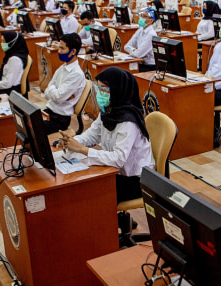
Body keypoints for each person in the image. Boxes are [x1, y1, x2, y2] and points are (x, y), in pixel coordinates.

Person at [59, 67, 155, 204]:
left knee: (91, 194)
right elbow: (92, 136)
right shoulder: (109, 111)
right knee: (81, 182)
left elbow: (118, 159)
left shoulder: (128, 121)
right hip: (116, 171)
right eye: (98, 88)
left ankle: (106, 222)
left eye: (104, 89)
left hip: (135, 180)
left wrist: (82, 149)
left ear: (118, 90)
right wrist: (71, 141)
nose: (100, 93)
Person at [42, 33, 86, 135]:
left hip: (59, 119)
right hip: (50, 111)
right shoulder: (62, 68)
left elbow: (57, 97)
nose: (59, 51)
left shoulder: (76, 74)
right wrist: (54, 91)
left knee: (31, 132)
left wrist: (52, 90)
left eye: (62, 48)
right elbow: (46, 92)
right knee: (26, 124)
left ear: (73, 51)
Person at [0, 31, 28, 96]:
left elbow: (8, 83)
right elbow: (2, 74)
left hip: (10, 90)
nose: (2, 43)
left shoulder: (15, 59)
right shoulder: (9, 54)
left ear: (12, 42)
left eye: (4, 41)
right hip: (5, 86)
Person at [124, 7, 159, 72]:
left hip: (149, 67)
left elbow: (138, 54)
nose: (141, 18)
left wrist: (134, 51)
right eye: (141, 15)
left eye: (144, 16)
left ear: (151, 21)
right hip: (139, 63)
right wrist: (134, 50)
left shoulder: (151, 34)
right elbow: (126, 47)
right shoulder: (140, 30)